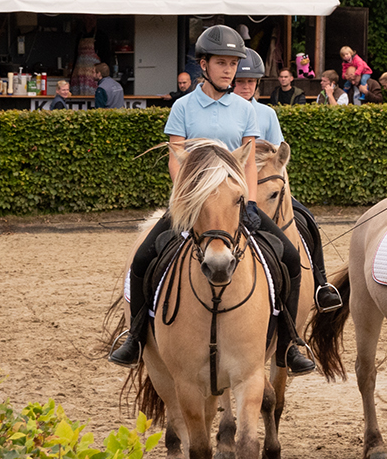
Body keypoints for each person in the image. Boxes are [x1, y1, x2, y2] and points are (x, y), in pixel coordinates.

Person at [109, 25, 317, 375]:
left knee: (290, 258)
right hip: (193, 203)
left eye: (233, 64)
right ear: (203, 65)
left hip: (235, 203)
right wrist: (189, 198)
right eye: (221, 63)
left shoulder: (245, 110)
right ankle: (135, 337)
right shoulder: (183, 107)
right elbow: (175, 157)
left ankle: (289, 342)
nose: (229, 70)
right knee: (143, 258)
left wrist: (251, 203)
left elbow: (249, 160)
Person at [233, 51, 344, 316]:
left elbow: (277, 153)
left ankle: (321, 283)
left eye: (251, 82)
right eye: (240, 81)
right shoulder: (226, 112)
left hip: (263, 184)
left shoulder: (267, 114)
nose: (246, 87)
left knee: (307, 219)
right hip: (234, 186)